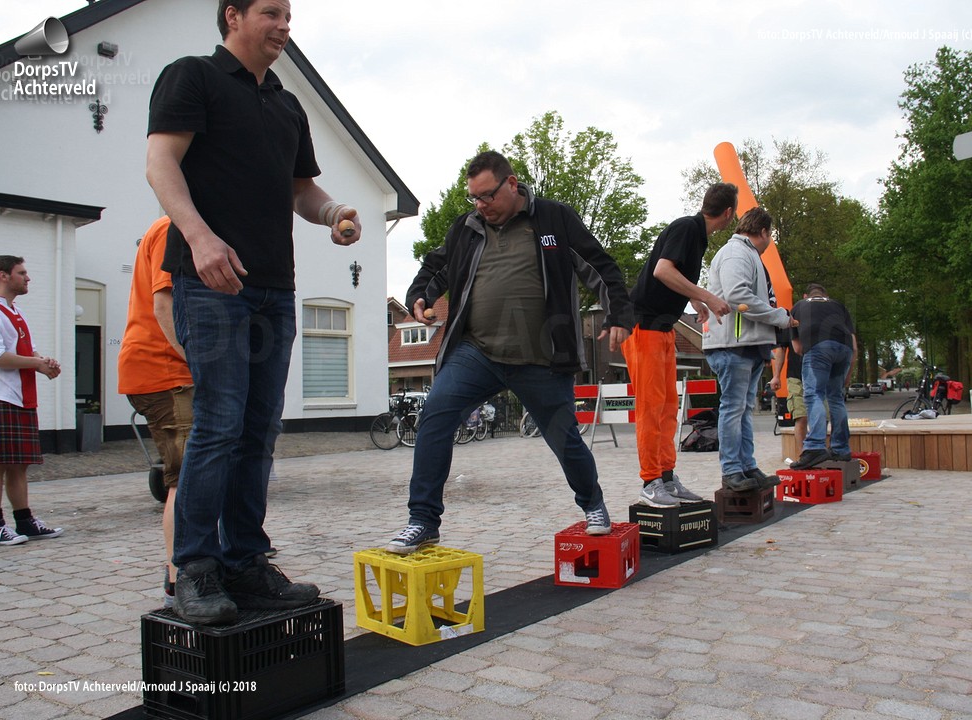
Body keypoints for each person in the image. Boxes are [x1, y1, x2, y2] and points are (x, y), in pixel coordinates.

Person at [146, 0, 361, 624]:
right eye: (271, 12)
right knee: (219, 422)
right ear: (233, 15)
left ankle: (245, 563)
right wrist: (200, 236)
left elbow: (302, 190)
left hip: (274, 288)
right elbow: (161, 164)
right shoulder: (194, 77)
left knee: (260, 430)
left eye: (289, 14)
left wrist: (333, 215)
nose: (284, 25)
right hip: (212, 285)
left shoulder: (287, 104)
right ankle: (194, 568)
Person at [384, 150, 633, 554]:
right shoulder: (466, 228)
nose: (480, 205)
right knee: (435, 416)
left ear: (512, 184)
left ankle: (593, 504)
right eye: (474, 198)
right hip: (476, 352)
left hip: (542, 358)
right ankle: (423, 520)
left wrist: (618, 313)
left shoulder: (555, 218)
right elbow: (434, 269)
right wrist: (419, 297)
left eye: (487, 196)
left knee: (565, 438)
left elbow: (601, 267)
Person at [622, 183, 736, 508]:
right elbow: (662, 270)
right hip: (642, 326)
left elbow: (672, 276)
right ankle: (650, 482)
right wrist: (707, 297)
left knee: (669, 406)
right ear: (728, 213)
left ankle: (667, 477)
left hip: (663, 329)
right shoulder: (687, 227)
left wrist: (692, 300)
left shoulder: (696, 236)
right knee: (651, 407)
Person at [118, 216, 194, 607]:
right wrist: (199, 362)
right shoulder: (172, 227)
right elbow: (164, 303)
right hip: (167, 372)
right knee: (187, 478)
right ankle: (178, 581)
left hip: (165, 370)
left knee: (193, 474)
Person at [703, 208, 796, 492]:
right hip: (734, 344)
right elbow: (738, 296)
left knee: (742, 409)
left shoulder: (744, 254)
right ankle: (732, 470)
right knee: (734, 408)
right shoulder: (737, 254)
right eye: (771, 236)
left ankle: (745, 466)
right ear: (764, 231)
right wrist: (779, 316)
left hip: (744, 343)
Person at [0, 256, 64, 546]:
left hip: (20, 397)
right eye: (22, 273)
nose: (27, 278)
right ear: (3, 275)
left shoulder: (15, 312)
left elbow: (24, 351)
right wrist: (36, 363)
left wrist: (43, 361)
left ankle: (25, 521)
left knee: (19, 464)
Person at [790, 283, 857, 468]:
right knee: (835, 397)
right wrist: (848, 372)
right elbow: (854, 343)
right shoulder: (838, 305)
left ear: (806, 295)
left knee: (813, 394)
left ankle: (815, 447)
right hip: (844, 349)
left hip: (818, 347)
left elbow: (797, 347)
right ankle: (841, 449)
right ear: (825, 295)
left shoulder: (799, 307)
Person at [771, 330, 806, 458]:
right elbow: (781, 349)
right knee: (800, 416)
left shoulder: (822, 315)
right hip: (796, 376)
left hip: (819, 375)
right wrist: (776, 376)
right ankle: (803, 455)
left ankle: (818, 451)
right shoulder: (792, 320)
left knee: (821, 417)